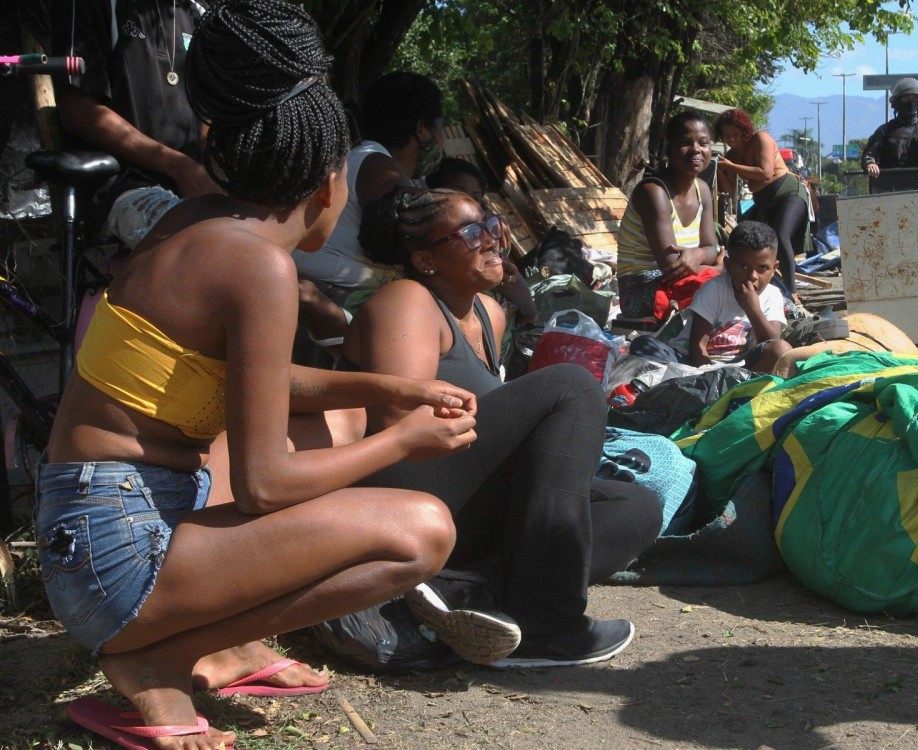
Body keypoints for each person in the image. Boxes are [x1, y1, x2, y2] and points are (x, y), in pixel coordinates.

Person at [35, 3, 477, 745]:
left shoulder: (195, 222)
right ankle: (166, 657)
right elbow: (267, 481)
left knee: (333, 419)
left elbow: (259, 383)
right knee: (422, 532)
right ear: (329, 187)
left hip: (84, 529)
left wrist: (385, 389)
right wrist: (403, 443)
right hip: (119, 561)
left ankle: (215, 643)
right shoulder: (261, 269)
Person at [340, 186, 662, 668]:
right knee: (572, 387)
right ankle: (545, 624)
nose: (494, 238)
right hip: (409, 491)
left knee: (636, 504)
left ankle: (464, 592)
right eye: (472, 232)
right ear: (426, 261)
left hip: (465, 493)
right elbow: (400, 424)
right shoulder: (406, 301)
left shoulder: (489, 312)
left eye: (492, 224)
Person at [51, 0, 216, 250]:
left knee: (266, 242)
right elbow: (78, 110)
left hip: (194, 179)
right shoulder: (97, 6)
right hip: (123, 186)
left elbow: (208, 111)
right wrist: (180, 167)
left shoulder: (196, 11)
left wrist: (212, 171)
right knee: (200, 243)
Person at [292, 71, 447, 305]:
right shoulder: (378, 167)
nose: (443, 137)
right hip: (331, 301)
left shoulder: (368, 160)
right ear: (422, 129)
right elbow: (438, 244)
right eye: (441, 127)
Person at [617, 111, 721, 299]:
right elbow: (672, 266)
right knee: (727, 286)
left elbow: (711, 248)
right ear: (669, 150)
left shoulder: (703, 190)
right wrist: (719, 269)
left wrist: (697, 255)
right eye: (685, 143)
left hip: (684, 282)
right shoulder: (654, 192)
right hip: (642, 289)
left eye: (703, 143)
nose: (696, 149)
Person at [714, 108, 813, 298]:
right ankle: (760, 285)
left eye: (735, 134)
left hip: (788, 192)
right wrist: (720, 169)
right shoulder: (732, 156)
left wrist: (731, 166)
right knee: (749, 238)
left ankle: (792, 291)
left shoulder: (761, 139)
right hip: (764, 201)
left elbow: (765, 172)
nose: (732, 139)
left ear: (744, 131)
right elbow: (730, 189)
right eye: (727, 136)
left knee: (780, 234)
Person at [427, 157, 537, 325]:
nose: (468, 202)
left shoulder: (487, 232)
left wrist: (529, 311)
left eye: (475, 197)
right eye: (458, 192)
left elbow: (510, 277)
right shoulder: (433, 238)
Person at [671, 221, 791, 372]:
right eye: (743, 266)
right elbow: (697, 348)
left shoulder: (772, 295)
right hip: (703, 367)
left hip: (742, 367)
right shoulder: (714, 290)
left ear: (774, 268)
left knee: (782, 350)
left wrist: (753, 309)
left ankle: (741, 388)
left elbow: (772, 342)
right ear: (727, 264)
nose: (753, 276)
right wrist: (711, 378)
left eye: (762, 268)